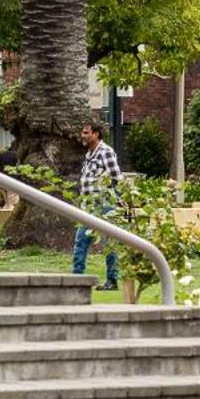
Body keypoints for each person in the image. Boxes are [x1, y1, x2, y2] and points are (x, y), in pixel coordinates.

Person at [72, 119, 125, 289]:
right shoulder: (89, 155)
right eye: (83, 132)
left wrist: (120, 202)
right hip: (88, 205)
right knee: (81, 240)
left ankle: (112, 280)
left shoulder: (106, 152)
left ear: (96, 134)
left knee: (108, 243)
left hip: (104, 204)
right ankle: (76, 278)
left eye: (86, 132)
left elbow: (117, 178)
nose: (83, 135)